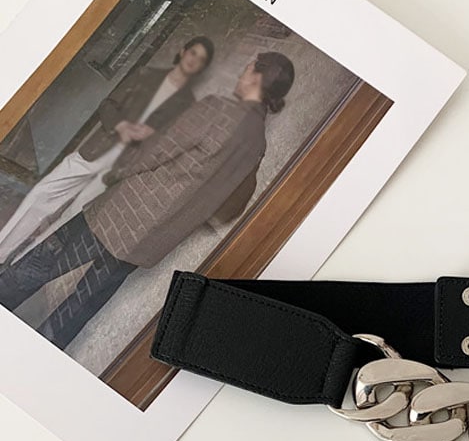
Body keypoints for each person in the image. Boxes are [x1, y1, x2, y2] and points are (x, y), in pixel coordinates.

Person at [0, 51, 295, 350]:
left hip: (117, 215)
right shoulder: (257, 144)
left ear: (257, 76)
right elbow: (232, 207)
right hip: (149, 242)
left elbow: (157, 149)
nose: (242, 73)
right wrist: (191, 210)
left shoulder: (217, 108)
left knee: (41, 264)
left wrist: (116, 174)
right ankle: (32, 357)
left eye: (248, 68)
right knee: (80, 306)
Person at [0, 36, 215, 265]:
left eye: (201, 59)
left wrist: (151, 135)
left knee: (71, 217)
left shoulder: (187, 102)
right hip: (99, 147)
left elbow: (168, 142)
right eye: (193, 53)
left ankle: (20, 265)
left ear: (202, 67)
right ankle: (2, 250)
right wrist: (120, 125)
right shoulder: (145, 74)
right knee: (43, 193)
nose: (194, 60)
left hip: (123, 165)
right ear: (182, 51)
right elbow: (108, 104)